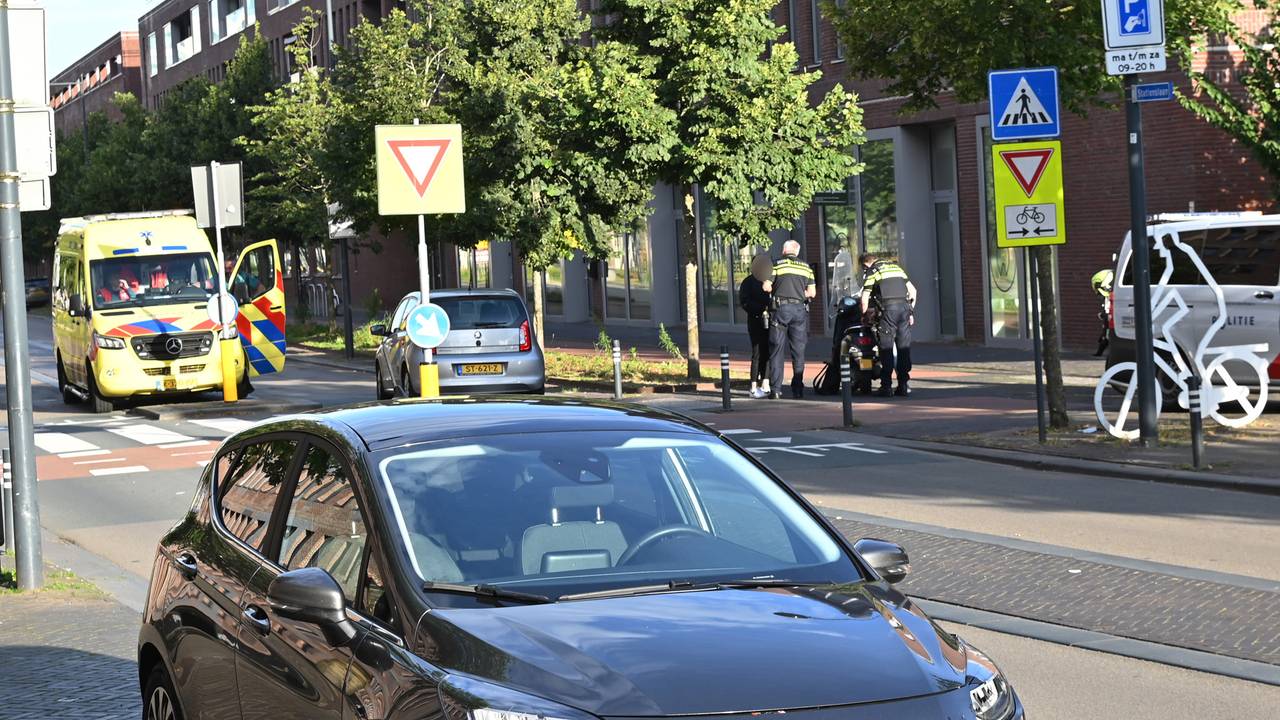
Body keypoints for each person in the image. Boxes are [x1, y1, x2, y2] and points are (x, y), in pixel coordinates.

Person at [762, 240, 816, 399]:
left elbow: (766, 287)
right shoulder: (806, 268)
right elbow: (812, 293)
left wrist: (774, 288)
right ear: (796, 252)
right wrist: (798, 294)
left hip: (780, 310)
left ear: (784, 250)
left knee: (776, 350)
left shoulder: (776, 264)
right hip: (799, 310)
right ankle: (798, 389)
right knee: (798, 352)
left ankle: (776, 390)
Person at [860, 253, 917, 397]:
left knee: (886, 348)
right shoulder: (896, 268)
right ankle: (903, 385)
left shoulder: (873, 271)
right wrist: (910, 311)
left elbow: (865, 296)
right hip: (904, 310)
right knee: (904, 348)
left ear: (866, 264)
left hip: (888, 312)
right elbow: (913, 291)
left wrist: (864, 315)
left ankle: (886, 386)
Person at [739, 254, 773, 398]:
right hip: (755, 320)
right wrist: (760, 308)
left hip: (770, 320)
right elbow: (745, 302)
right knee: (757, 352)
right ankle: (753, 384)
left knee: (768, 352)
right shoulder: (748, 282)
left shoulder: (770, 280)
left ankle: (765, 381)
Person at [1091, 267, 1114, 357]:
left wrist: (1103, 315)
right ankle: (1099, 353)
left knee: (1107, 336)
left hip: (1111, 323)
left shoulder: (1112, 295)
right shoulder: (1107, 296)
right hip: (1108, 323)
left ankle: (1099, 353)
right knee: (1105, 336)